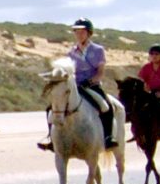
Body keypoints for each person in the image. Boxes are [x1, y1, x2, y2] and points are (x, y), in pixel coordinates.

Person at [41, 17, 113, 149]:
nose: (79, 35)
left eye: (82, 32)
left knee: (106, 107)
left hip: (92, 85)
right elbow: (68, 72)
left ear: (89, 33)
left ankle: (108, 137)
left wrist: (90, 81)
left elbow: (100, 72)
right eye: (76, 32)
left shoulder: (98, 50)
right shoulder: (71, 52)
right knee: (51, 108)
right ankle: (51, 139)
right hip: (75, 86)